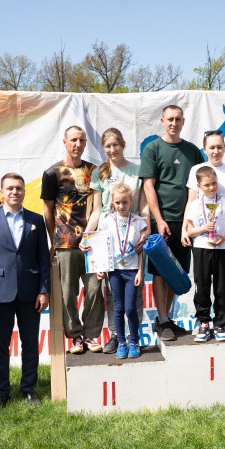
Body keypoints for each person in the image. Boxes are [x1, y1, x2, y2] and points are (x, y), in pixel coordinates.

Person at [0, 173, 50, 411]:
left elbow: (43, 257)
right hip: (0, 294)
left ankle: (28, 388)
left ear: (24, 192)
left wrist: (44, 290)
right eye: (9, 188)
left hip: (30, 293)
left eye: (18, 188)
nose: (14, 192)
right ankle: (1, 393)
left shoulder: (36, 220)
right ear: (2, 192)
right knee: (0, 346)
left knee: (30, 343)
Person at [139, 104, 204, 342]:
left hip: (186, 222)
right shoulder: (153, 148)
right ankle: (163, 319)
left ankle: (165, 320)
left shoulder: (192, 151)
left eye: (178, 119)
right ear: (162, 121)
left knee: (176, 272)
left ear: (183, 122)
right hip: (163, 221)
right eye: (170, 119)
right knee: (160, 271)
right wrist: (158, 220)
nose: (174, 123)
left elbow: (203, 181)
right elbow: (148, 186)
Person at [83, 128, 149, 354]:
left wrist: (146, 229)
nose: (112, 149)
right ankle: (116, 336)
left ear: (123, 144)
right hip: (106, 236)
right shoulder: (99, 173)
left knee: (134, 291)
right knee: (112, 293)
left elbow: (143, 205)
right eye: (108, 146)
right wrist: (86, 236)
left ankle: (133, 337)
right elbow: (96, 210)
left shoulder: (137, 171)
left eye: (116, 145)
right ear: (103, 148)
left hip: (132, 233)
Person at [41, 126, 104, 355]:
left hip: (92, 241)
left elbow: (97, 207)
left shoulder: (94, 171)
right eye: (74, 140)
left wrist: (89, 235)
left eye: (82, 140)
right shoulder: (52, 173)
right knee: (68, 293)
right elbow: (47, 211)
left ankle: (91, 334)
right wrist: (53, 241)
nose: (78, 144)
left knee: (95, 290)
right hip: (65, 242)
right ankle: (75, 336)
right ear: (65, 142)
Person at [91, 183, 149, 359]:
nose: (121, 206)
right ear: (112, 203)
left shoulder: (139, 222)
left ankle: (134, 341)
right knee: (118, 308)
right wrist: (100, 268)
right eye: (117, 202)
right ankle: (121, 343)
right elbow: (101, 246)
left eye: (125, 202)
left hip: (132, 271)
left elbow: (142, 250)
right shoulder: (107, 222)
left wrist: (140, 271)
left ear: (131, 201)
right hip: (114, 271)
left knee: (130, 308)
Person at [186, 166, 225, 342]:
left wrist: (224, 237)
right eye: (206, 185)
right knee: (202, 286)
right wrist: (203, 228)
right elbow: (190, 230)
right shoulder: (195, 205)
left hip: (222, 249)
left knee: (221, 287)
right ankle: (203, 323)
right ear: (199, 186)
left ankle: (220, 324)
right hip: (201, 248)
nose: (211, 187)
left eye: (214, 183)